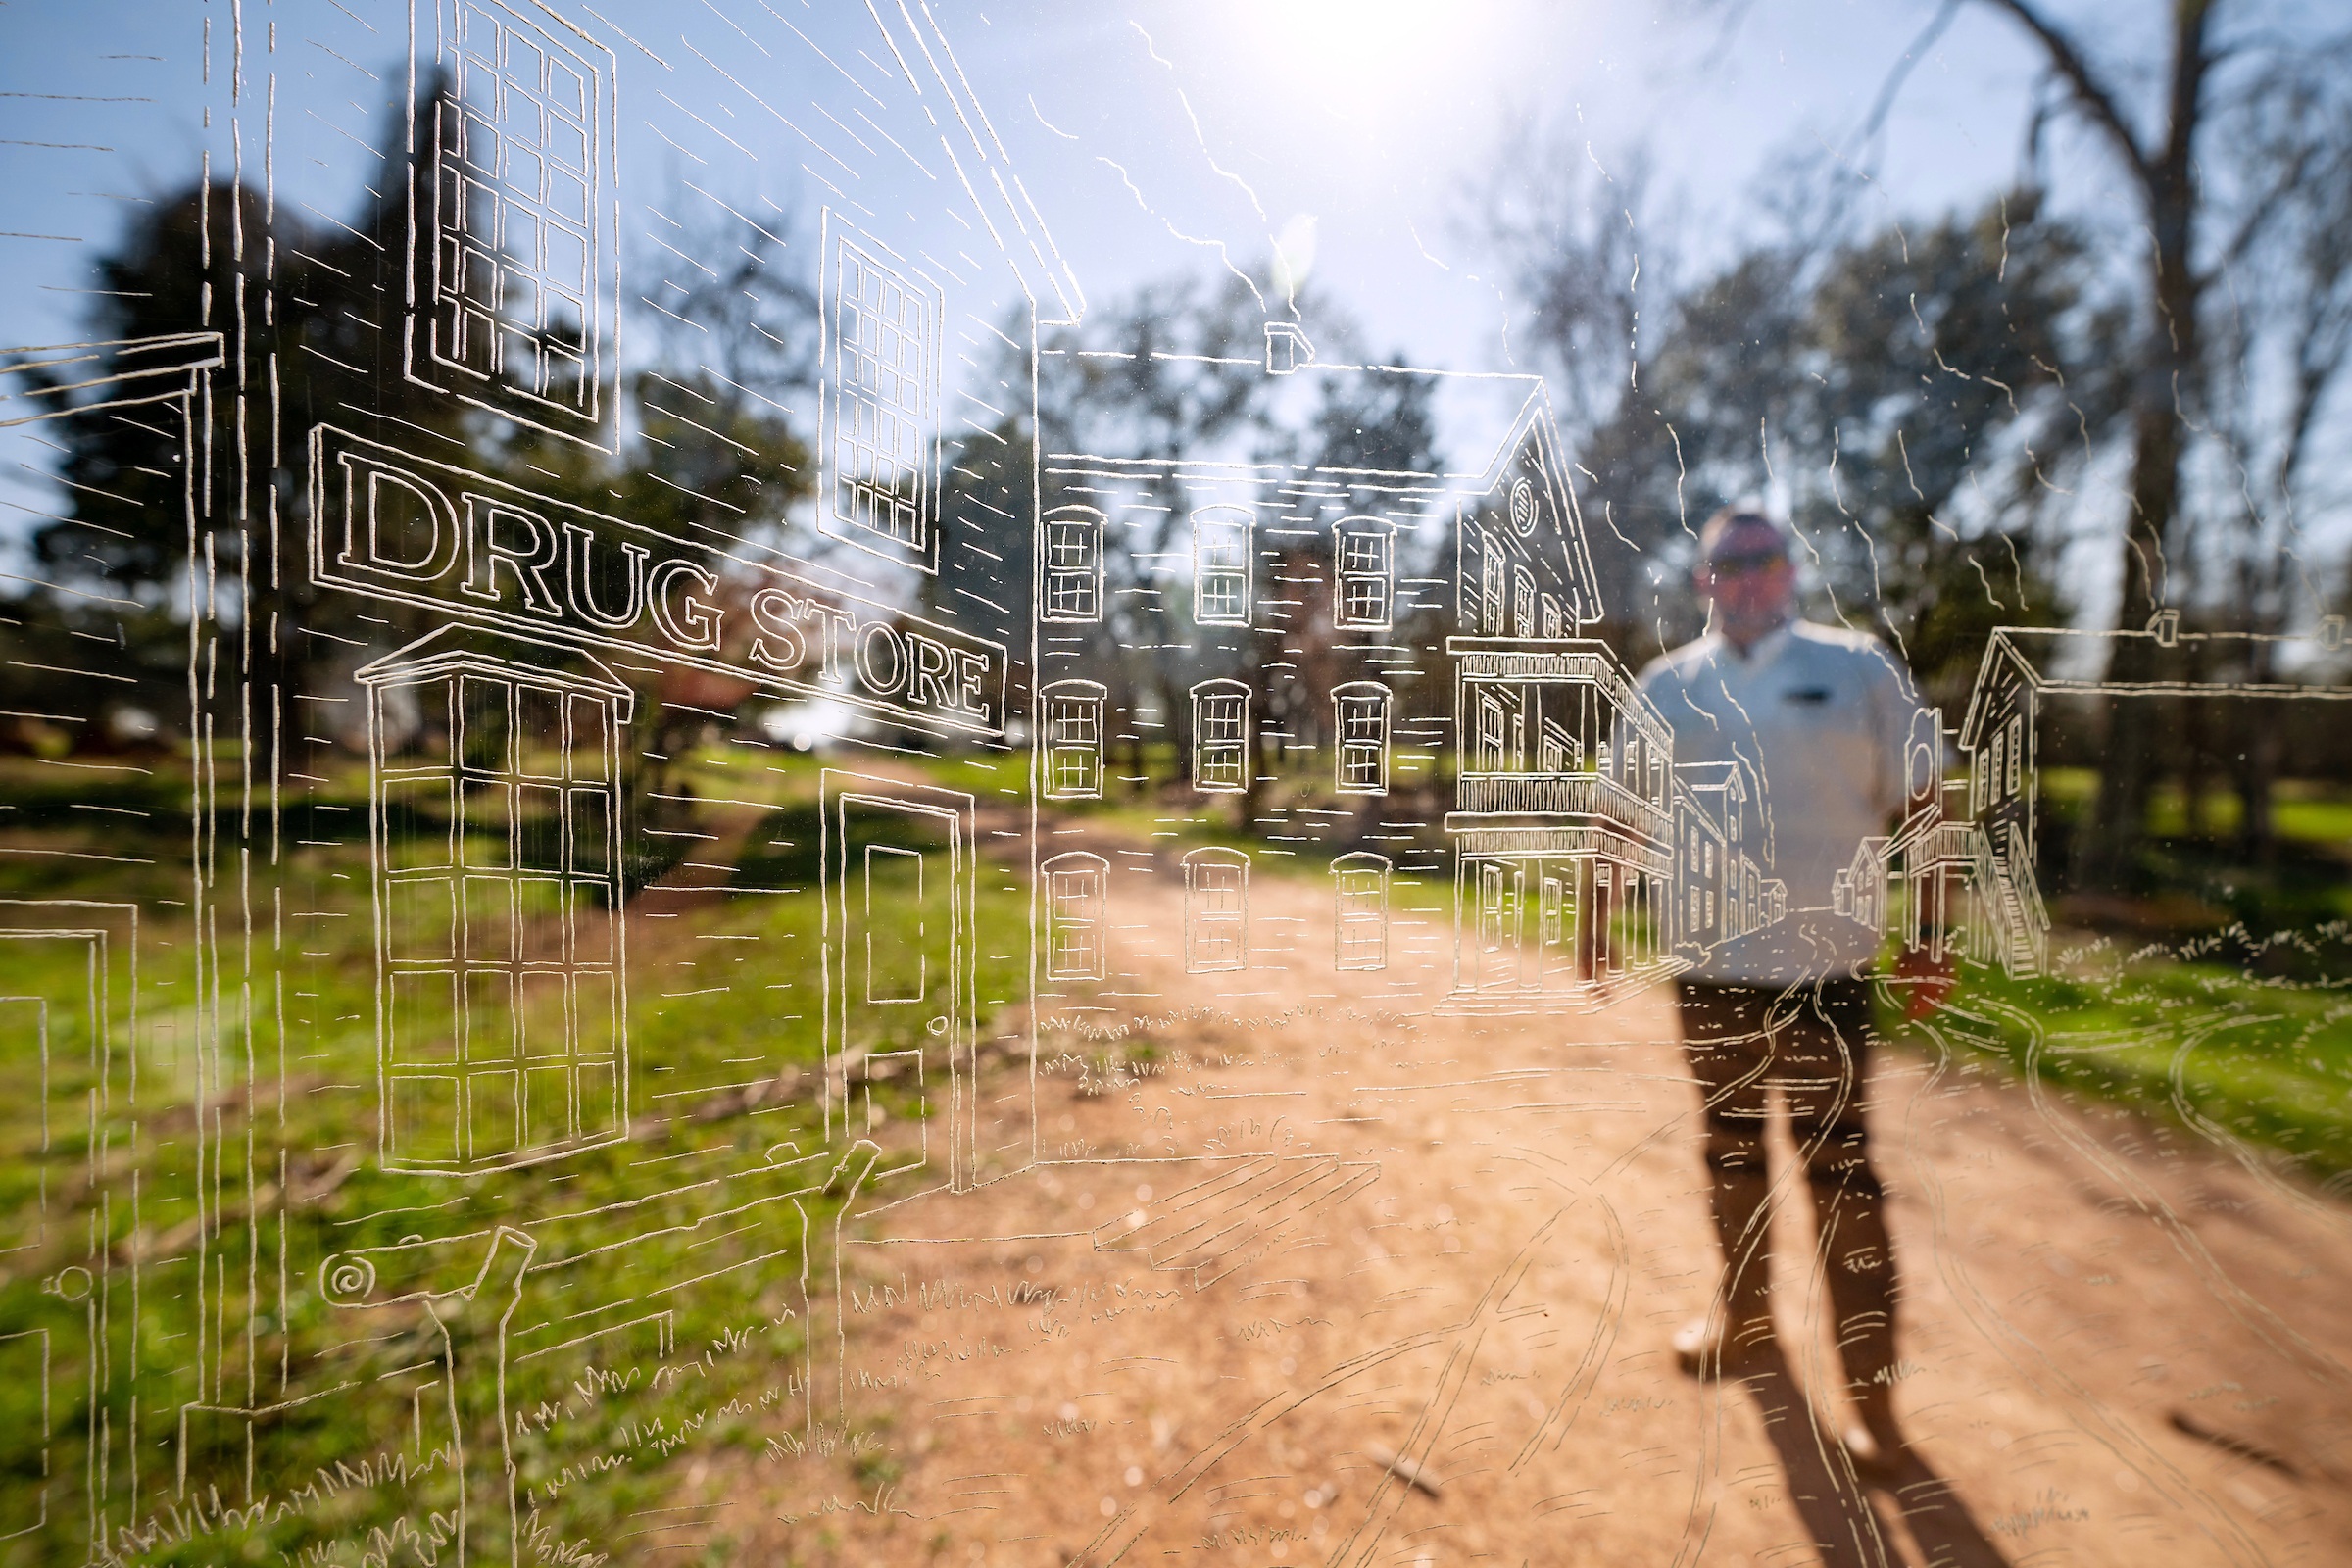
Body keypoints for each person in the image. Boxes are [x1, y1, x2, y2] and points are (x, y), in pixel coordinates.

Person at [1635, 504, 1947, 1471]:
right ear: (1704, 583)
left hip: (1824, 978)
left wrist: (1931, 935)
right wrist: (1602, 917)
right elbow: (1623, 810)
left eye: (1761, 560)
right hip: (1710, 975)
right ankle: (1746, 1323)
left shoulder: (1857, 670)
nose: (1743, 578)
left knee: (1843, 1181)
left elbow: (1926, 804)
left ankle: (1875, 1405)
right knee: (1730, 1157)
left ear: (1790, 572)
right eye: (1723, 565)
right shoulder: (1668, 684)